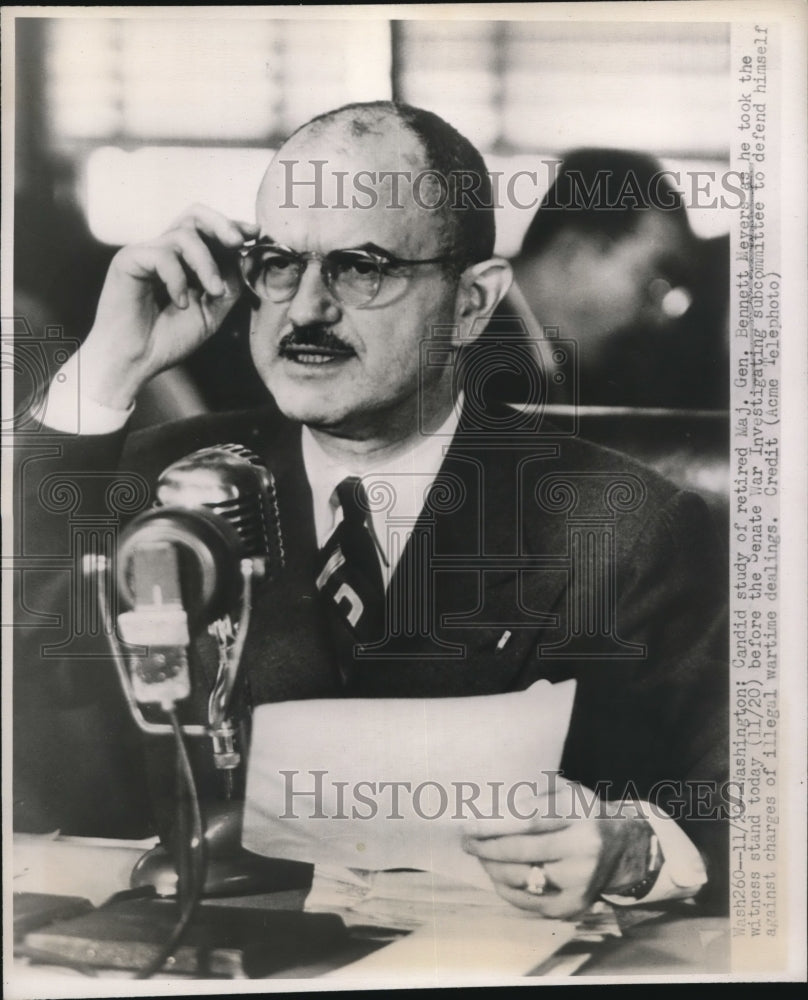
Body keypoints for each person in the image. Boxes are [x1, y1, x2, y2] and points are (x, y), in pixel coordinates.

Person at [15, 102, 728, 919]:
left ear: (471, 303)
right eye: (279, 262)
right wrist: (108, 369)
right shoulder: (162, 480)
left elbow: (751, 810)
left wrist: (637, 847)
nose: (306, 309)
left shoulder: (628, 527)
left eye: (362, 267)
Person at [501, 148, 729, 409]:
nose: (660, 318)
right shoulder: (466, 356)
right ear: (574, 253)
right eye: (653, 283)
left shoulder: (539, 366)